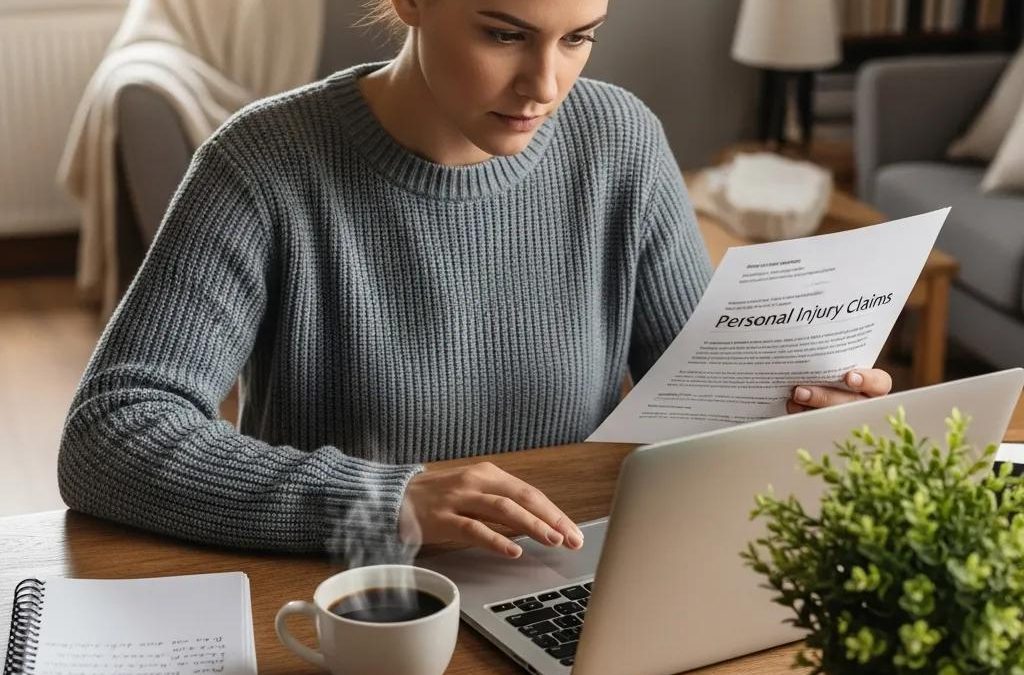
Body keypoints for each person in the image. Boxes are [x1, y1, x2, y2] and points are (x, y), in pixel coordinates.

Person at [58, 0, 892, 562]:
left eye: (578, 37)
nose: (546, 86)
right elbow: (110, 433)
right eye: (504, 34)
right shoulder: (263, 165)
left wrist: (804, 412)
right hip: (364, 606)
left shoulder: (622, 142)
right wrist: (386, 502)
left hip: (577, 577)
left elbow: (704, 402)